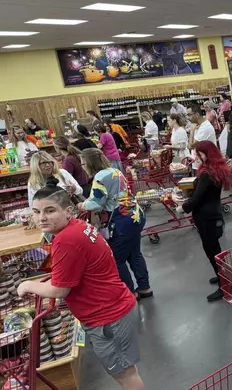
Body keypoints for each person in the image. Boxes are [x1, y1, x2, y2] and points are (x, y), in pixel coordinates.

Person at [17, 179, 145, 390]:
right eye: (37, 211)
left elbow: (59, 290)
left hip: (108, 317)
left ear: (68, 211)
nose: (42, 217)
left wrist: (27, 286)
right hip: (115, 307)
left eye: (50, 211)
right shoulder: (78, 227)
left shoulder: (66, 239)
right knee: (127, 370)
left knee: (126, 375)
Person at [78, 148, 153, 300]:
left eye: (83, 163)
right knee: (134, 253)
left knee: (117, 259)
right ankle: (144, 287)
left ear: (90, 162)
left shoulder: (99, 177)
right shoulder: (114, 170)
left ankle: (129, 293)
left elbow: (97, 203)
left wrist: (82, 205)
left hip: (121, 220)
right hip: (135, 215)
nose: (82, 166)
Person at [176, 141, 232, 302]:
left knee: (212, 252)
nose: (195, 157)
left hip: (207, 219)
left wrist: (181, 207)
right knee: (215, 250)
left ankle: (224, 285)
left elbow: (196, 200)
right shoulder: (215, 170)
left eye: (198, 153)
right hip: (213, 217)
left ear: (207, 154)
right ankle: (221, 276)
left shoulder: (207, 174)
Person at [187, 104, 217, 174]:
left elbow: (191, 146)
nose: (188, 117)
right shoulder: (199, 126)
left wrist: (192, 130)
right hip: (199, 163)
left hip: (205, 165)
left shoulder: (204, 127)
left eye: (189, 115)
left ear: (197, 114)